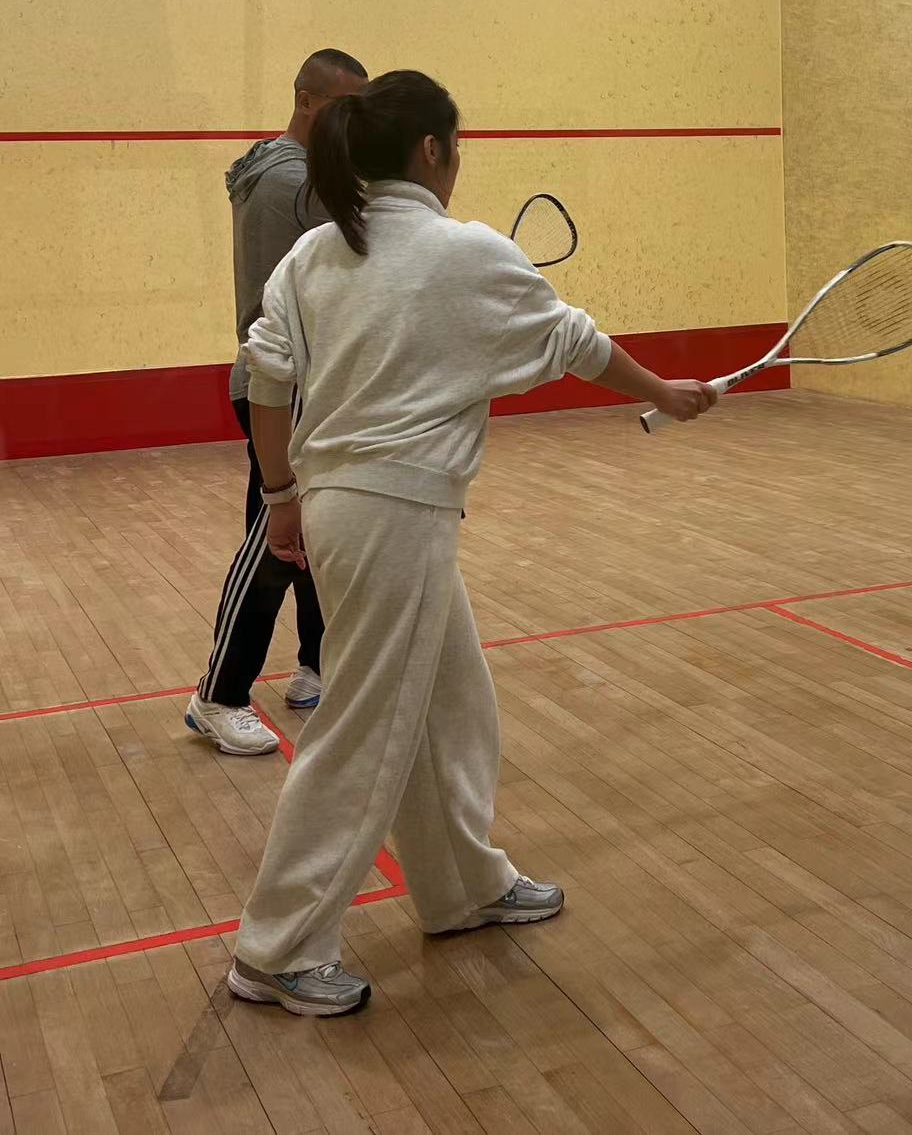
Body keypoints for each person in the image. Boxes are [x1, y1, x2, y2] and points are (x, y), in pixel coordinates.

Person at [226, 70, 715, 1016]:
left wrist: (279, 495)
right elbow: (575, 341)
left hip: (338, 508)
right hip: (396, 514)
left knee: (451, 702)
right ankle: (276, 947)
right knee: (363, 727)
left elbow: (267, 374)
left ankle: (461, 887)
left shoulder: (315, 252)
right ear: (432, 150)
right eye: (458, 147)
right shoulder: (465, 250)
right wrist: (666, 392)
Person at [186, 48, 370, 756]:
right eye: (346, 107)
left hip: (299, 384)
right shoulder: (298, 183)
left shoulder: (275, 166)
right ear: (307, 100)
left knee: (311, 532)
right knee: (277, 537)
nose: (356, 123)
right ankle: (220, 694)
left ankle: (315, 666)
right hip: (283, 387)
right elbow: (374, 248)